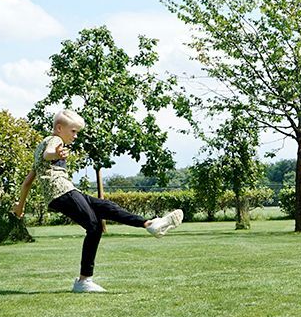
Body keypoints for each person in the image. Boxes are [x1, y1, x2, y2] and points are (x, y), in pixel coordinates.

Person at [13, 109, 182, 293]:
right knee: (94, 227)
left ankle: (150, 224)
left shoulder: (40, 149)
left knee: (105, 207)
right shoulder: (55, 141)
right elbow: (49, 153)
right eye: (74, 131)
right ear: (60, 128)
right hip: (61, 191)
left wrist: (19, 207)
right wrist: (56, 154)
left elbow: (27, 182)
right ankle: (84, 281)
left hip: (66, 191)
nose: (75, 136)